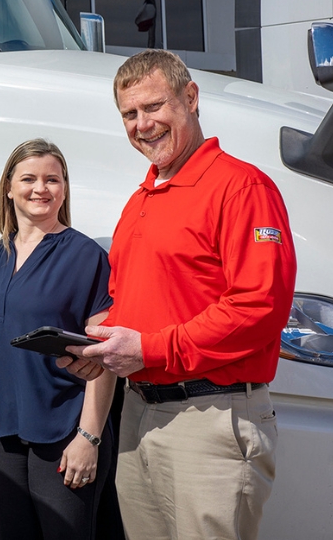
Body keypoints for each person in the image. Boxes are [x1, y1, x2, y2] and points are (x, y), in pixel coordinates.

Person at [61, 50, 297, 540]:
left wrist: (148, 349)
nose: (143, 125)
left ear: (190, 98)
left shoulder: (242, 187)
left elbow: (259, 309)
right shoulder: (139, 201)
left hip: (210, 420)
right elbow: (133, 303)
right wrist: (102, 349)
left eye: (154, 107)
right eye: (130, 114)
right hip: (139, 415)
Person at [0, 138, 116, 539]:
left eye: (53, 179)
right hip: (3, 430)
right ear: (9, 187)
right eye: (29, 178)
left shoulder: (86, 256)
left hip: (63, 429)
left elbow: (105, 354)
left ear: (64, 188)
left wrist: (88, 437)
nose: (41, 189)